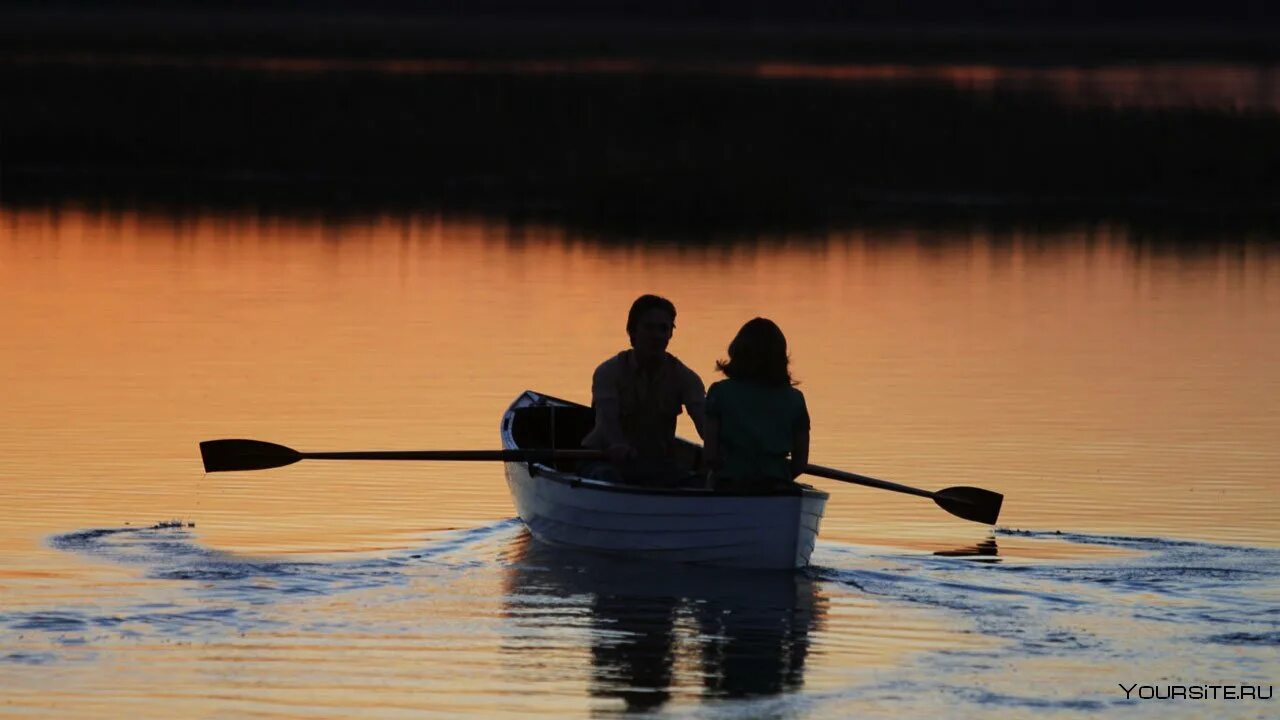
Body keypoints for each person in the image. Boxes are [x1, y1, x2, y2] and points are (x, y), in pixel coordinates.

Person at [581, 294, 707, 485]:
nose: (656, 336)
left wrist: (721, 450)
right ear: (632, 332)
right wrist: (618, 444)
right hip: (603, 459)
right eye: (648, 327)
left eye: (663, 329)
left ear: (670, 335)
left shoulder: (686, 378)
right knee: (607, 478)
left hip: (657, 465)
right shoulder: (608, 372)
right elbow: (608, 418)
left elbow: (704, 421)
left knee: (701, 483)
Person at [703, 318, 810, 492]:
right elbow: (800, 463)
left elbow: (710, 456)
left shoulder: (719, 392)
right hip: (777, 486)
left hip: (729, 485)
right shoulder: (796, 399)